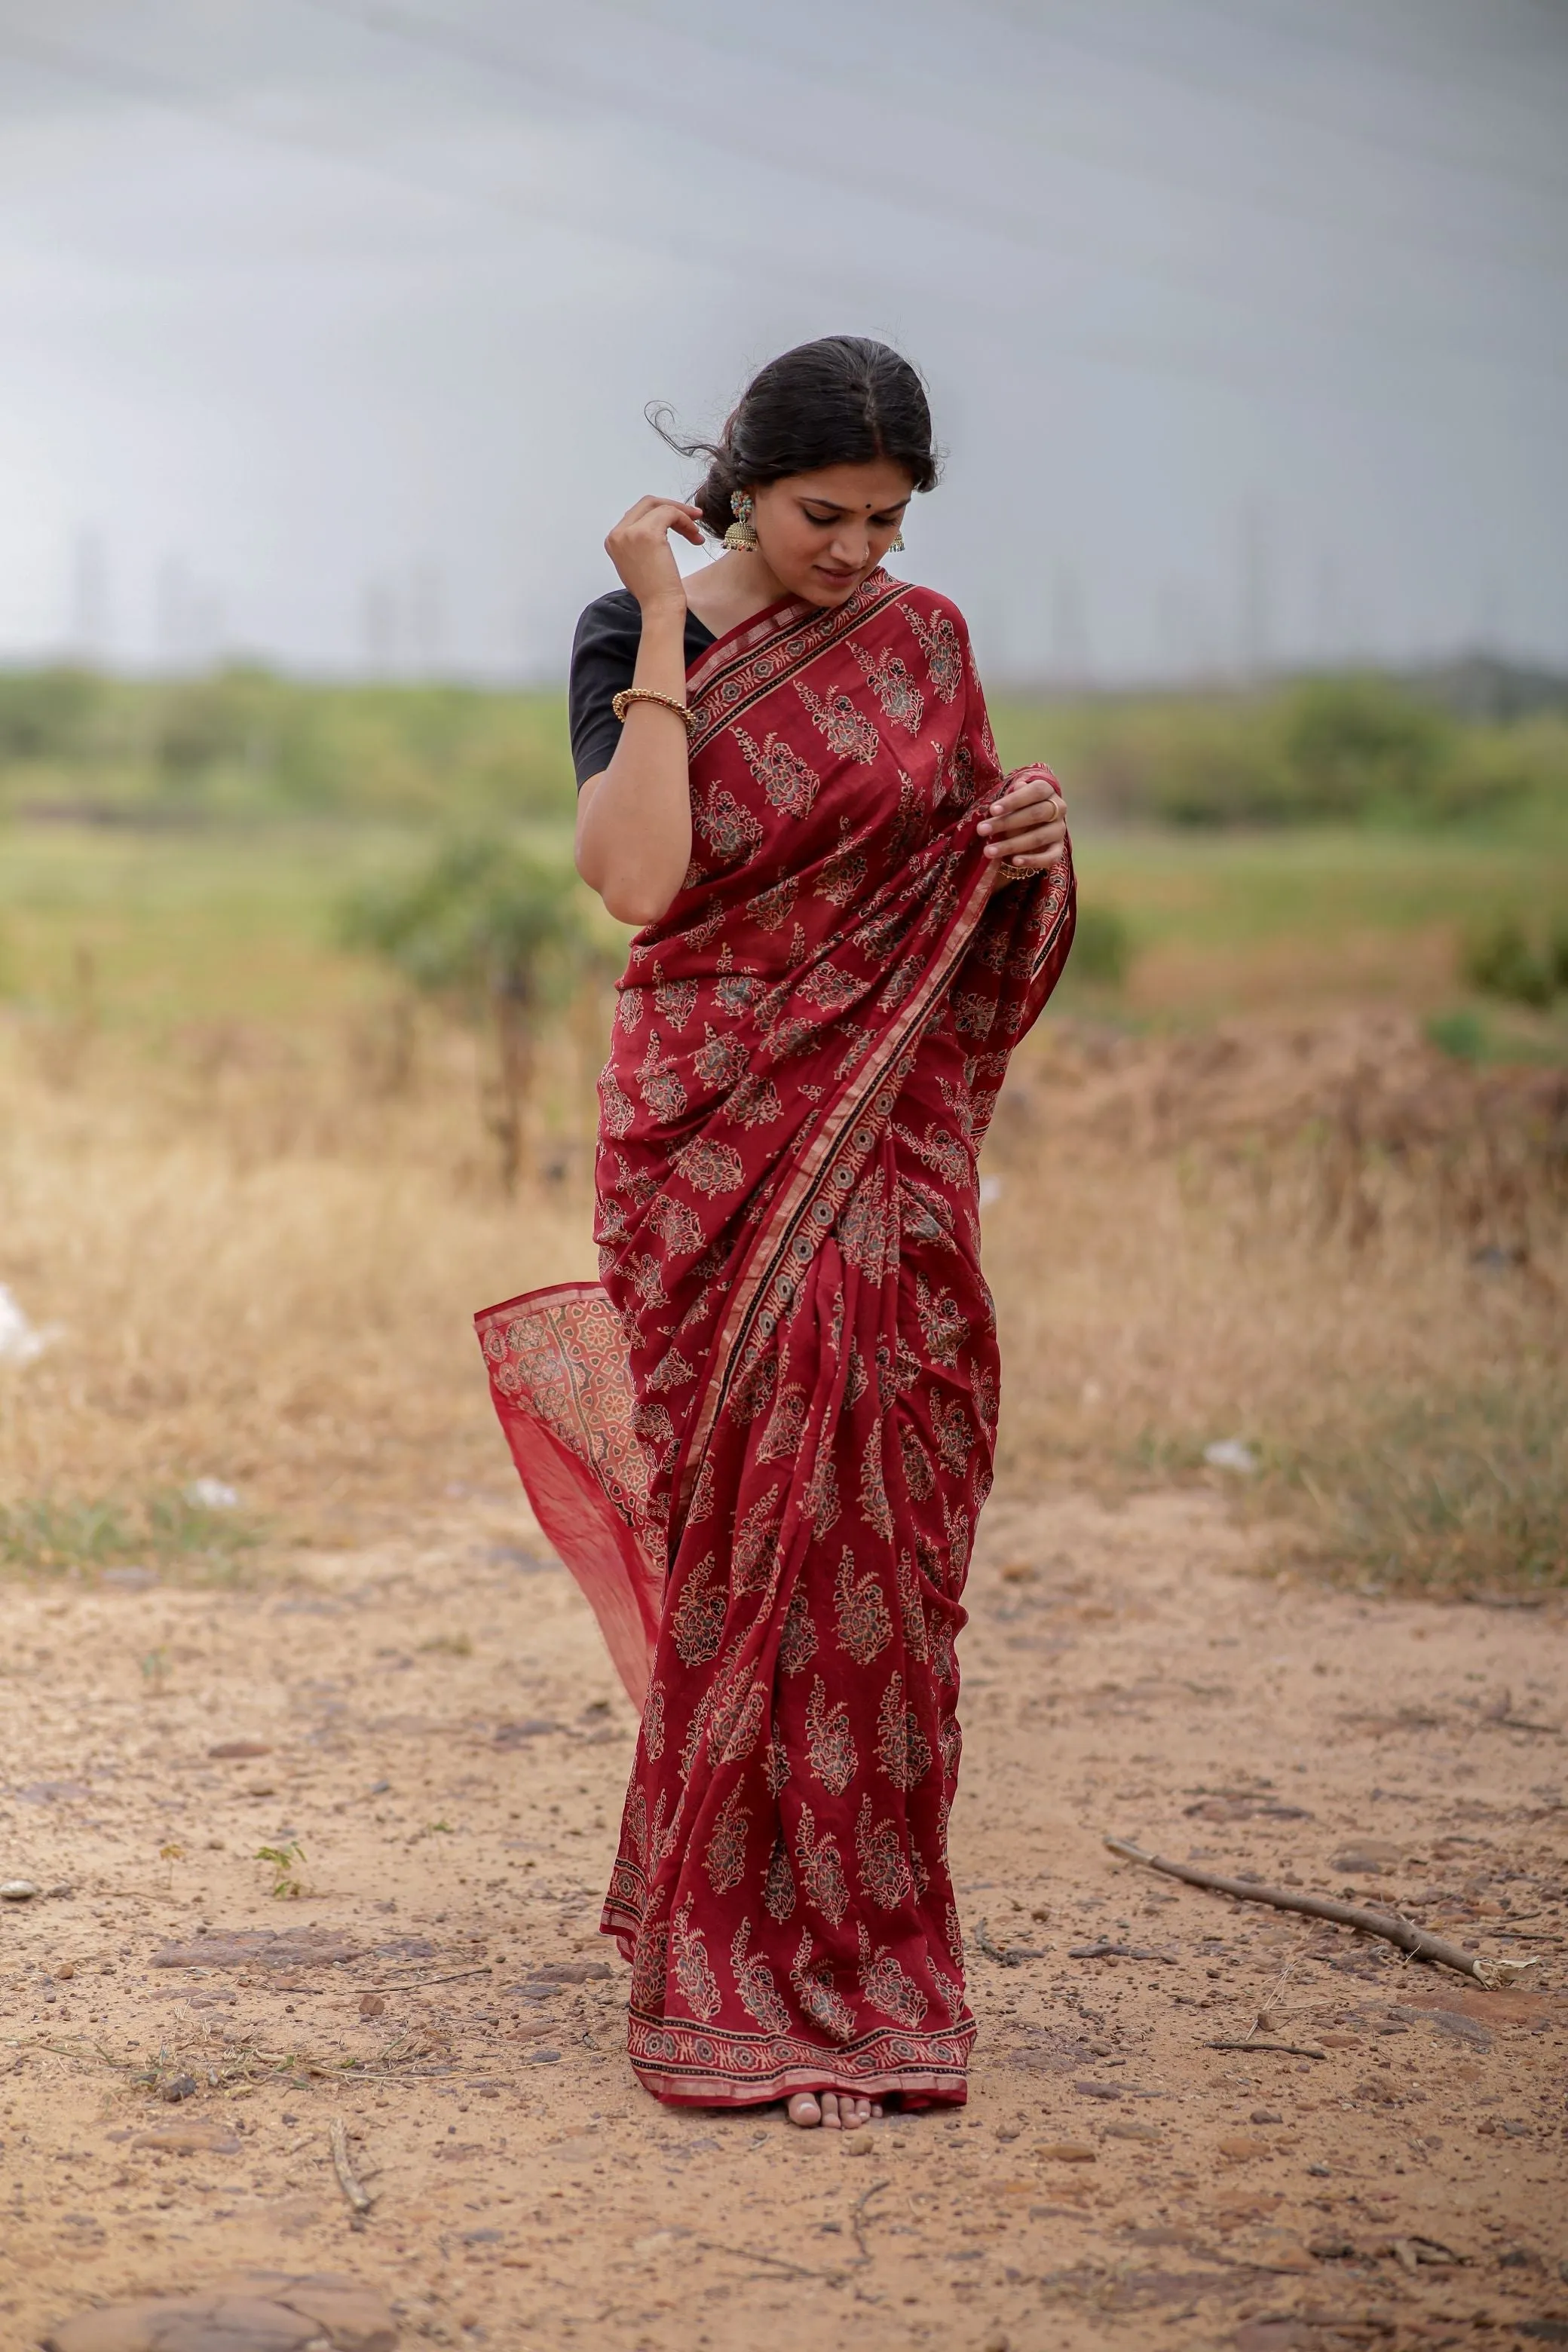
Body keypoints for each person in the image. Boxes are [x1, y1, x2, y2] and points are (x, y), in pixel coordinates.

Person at [477, 335, 1074, 2130]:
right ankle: (735, 1965)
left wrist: (1029, 847)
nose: (858, 558)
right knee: (752, 1537)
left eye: (887, 524)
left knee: (873, 1553)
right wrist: (664, 615)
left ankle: (865, 1967)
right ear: (745, 476)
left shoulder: (925, 642)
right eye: (827, 515)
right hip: (708, 1137)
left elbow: (943, 880)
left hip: (872, 1149)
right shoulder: (634, 638)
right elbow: (639, 882)